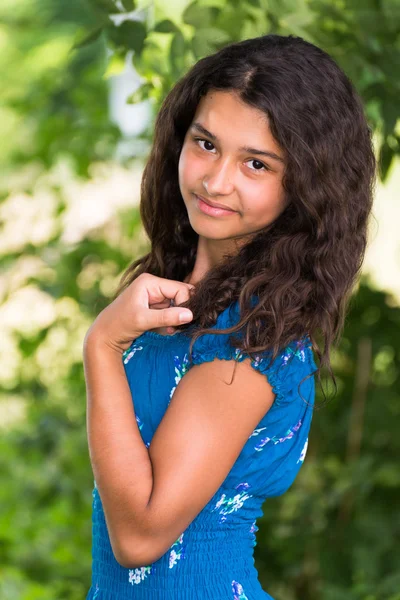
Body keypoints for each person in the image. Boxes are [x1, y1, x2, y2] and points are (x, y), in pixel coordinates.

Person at [83, 33, 375, 600]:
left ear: (306, 186)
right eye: (206, 144)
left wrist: (101, 344)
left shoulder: (251, 336)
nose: (216, 182)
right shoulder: (179, 298)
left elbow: (140, 536)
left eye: (257, 164)